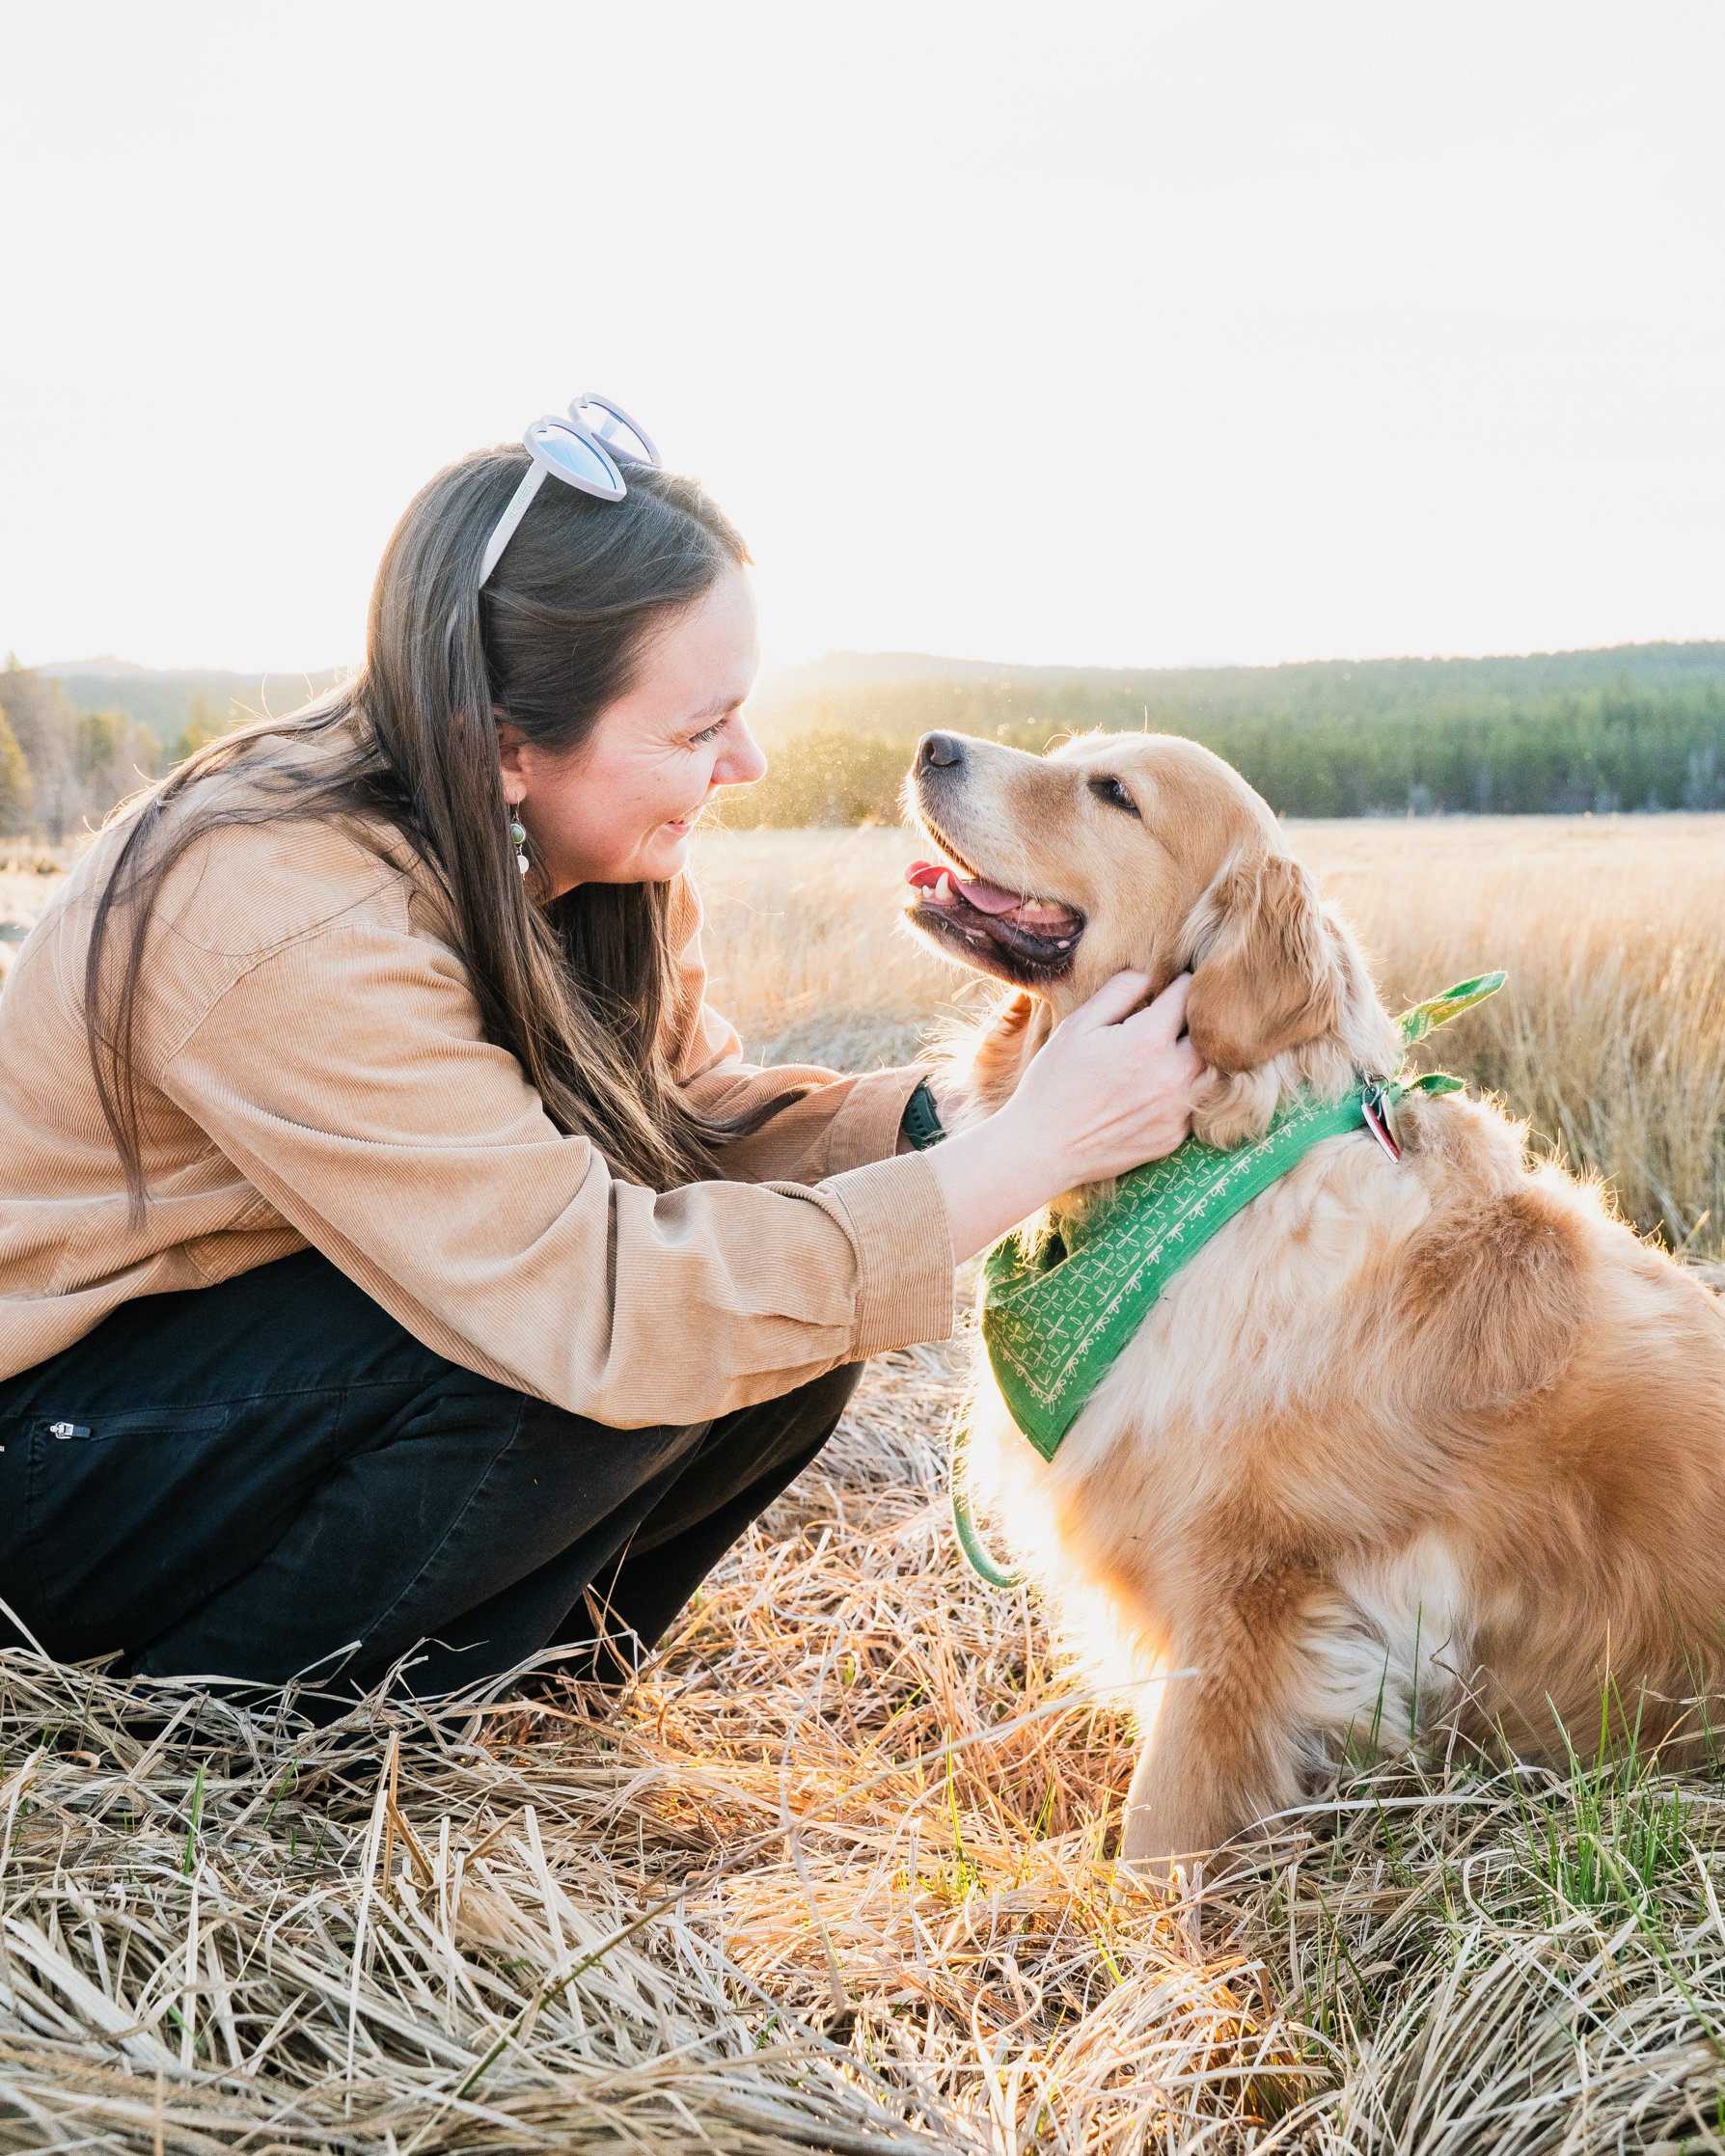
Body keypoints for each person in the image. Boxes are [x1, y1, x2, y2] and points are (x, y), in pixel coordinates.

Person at [0, 398, 1203, 1710]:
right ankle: (250, 1734)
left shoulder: (574, 862)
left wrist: (971, 1112)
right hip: (51, 1452)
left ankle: (502, 1705)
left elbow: (694, 1122)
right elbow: (591, 1305)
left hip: (232, 1385)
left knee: (784, 1307)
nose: (748, 762)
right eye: (696, 731)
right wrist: (1032, 1157)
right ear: (505, 747)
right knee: (595, 1351)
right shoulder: (273, 903)